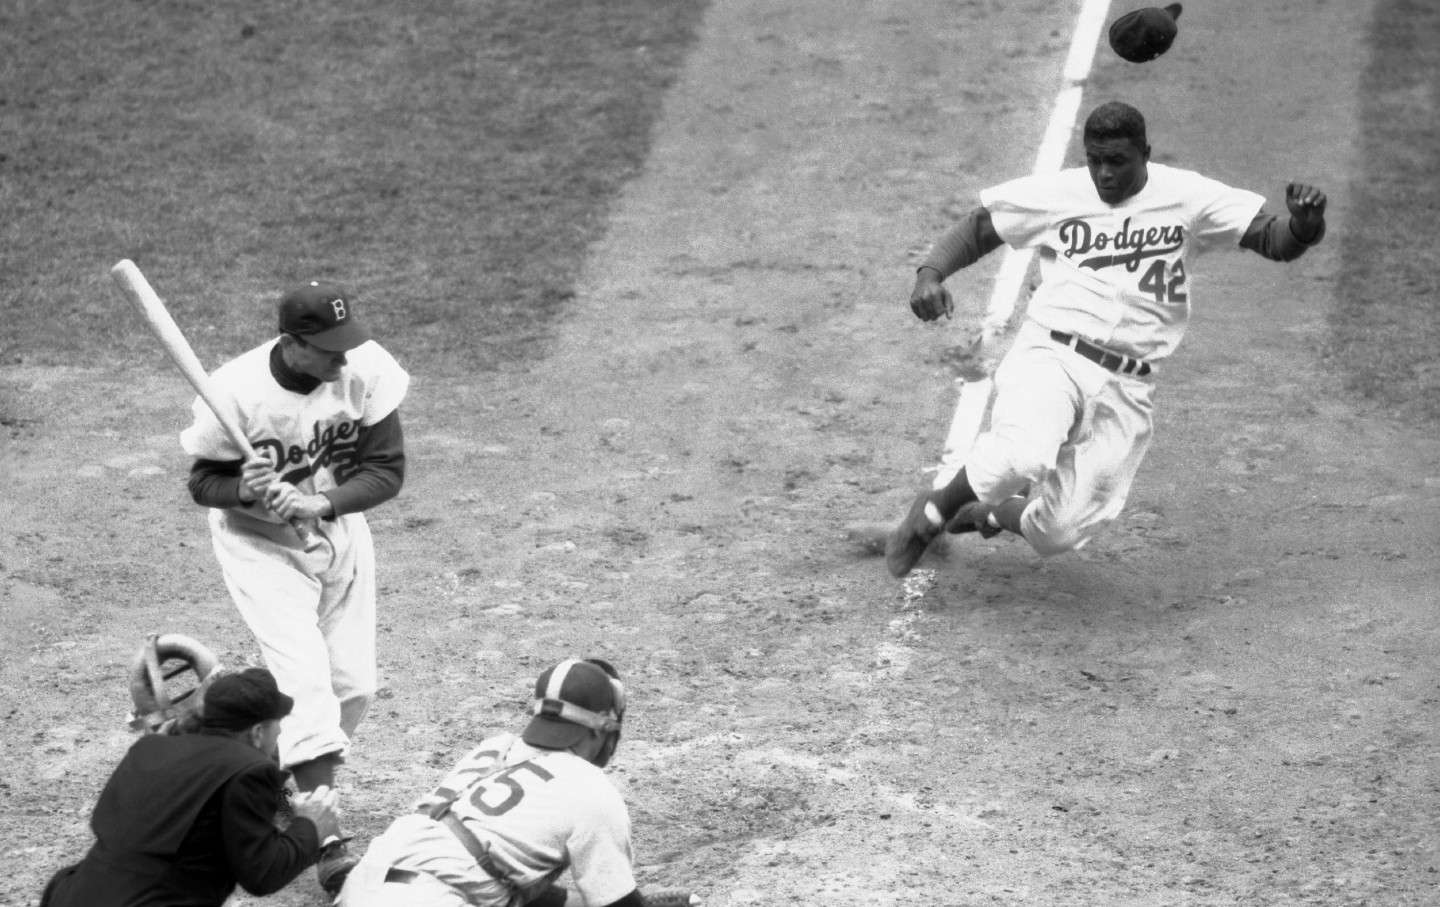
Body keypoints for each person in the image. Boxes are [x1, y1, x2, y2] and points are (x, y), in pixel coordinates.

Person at [886, 100, 1328, 577]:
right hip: (1052, 353)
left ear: (1145, 155)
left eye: (1117, 161)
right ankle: (930, 513)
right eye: (1095, 159)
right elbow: (981, 227)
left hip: (1128, 384)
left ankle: (988, 512)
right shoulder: (1064, 192)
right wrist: (929, 276)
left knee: (1058, 533)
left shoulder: (1188, 196)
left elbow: (1273, 240)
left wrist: (1305, 225)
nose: (1104, 173)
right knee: (1026, 451)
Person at [179, 279, 410, 891]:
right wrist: (246, 490)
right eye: (329, 350)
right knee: (305, 683)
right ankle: (324, 836)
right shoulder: (234, 394)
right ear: (292, 343)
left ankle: (268, 783)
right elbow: (204, 484)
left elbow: (385, 470)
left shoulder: (365, 369)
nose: (343, 360)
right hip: (259, 546)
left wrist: (321, 504)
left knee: (352, 686)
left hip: (334, 530)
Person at [336, 658, 649, 907]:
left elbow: (485, 868)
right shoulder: (591, 788)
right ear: (601, 727)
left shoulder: (495, 748)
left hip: (362, 884)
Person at [40, 668, 343, 907]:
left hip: (71, 894)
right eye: (278, 725)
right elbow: (262, 874)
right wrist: (310, 827)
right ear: (258, 731)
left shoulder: (149, 749)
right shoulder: (249, 770)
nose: (280, 733)